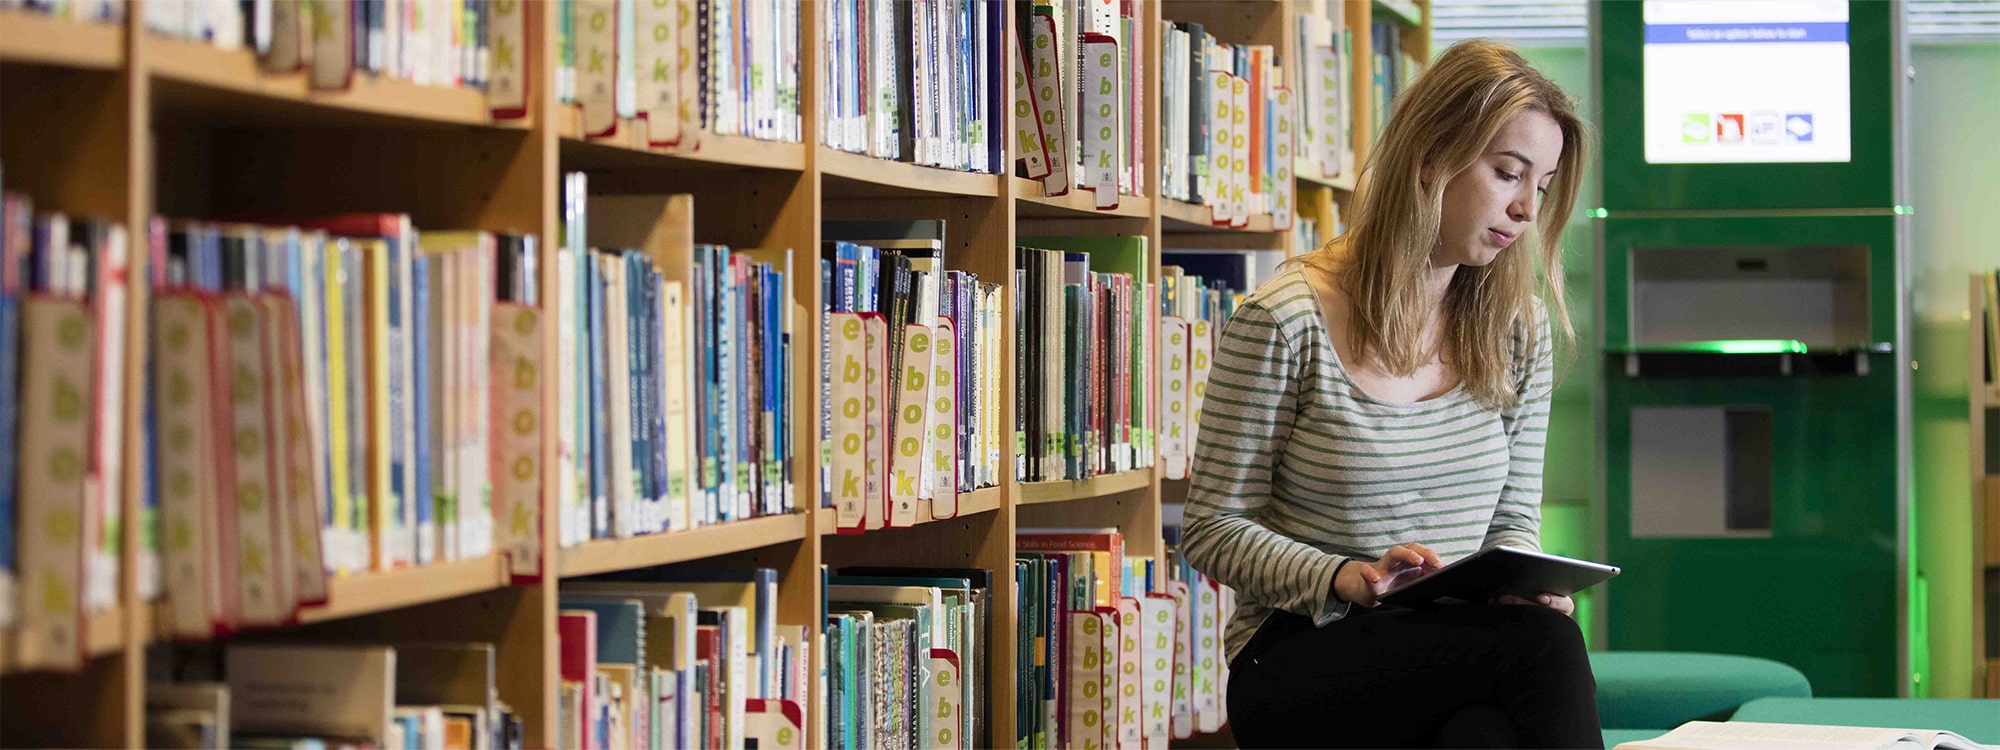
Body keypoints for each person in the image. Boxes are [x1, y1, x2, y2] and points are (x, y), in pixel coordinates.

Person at [1181, 39, 1600, 749]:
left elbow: (1512, 518)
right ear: (1431, 156)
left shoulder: (1519, 327)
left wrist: (1522, 583)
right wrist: (1344, 576)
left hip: (1452, 640)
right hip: (1300, 649)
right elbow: (1213, 528)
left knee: (1488, 731)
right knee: (1544, 647)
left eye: (1544, 185)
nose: (1527, 208)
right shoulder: (1286, 319)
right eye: (1508, 173)